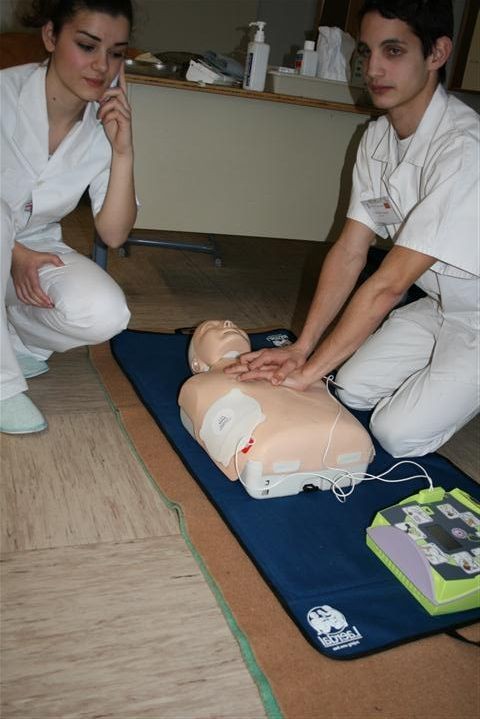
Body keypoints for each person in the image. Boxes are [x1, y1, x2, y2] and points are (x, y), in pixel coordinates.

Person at [227, 0, 479, 459]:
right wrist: (304, 349)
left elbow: (388, 285)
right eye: (367, 51)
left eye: (394, 51)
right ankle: (442, 373)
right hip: (439, 306)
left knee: (394, 432)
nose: (373, 69)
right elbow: (350, 251)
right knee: (350, 388)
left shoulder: (464, 149)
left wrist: (307, 375)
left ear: (438, 53)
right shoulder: (377, 136)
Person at [0, 0, 136, 434]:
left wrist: (122, 151)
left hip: (34, 246)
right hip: (10, 243)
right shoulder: (4, 95)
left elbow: (113, 234)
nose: (102, 66)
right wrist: (14, 253)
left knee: (106, 312)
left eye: (116, 53)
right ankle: (2, 384)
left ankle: (18, 341)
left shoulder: (104, 123)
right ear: (50, 36)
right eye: (87, 46)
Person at [178, 320, 374, 497]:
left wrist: (305, 370)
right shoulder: (197, 385)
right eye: (210, 328)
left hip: (330, 434)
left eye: (230, 324)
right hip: (278, 447)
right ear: (197, 364)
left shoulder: (286, 367)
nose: (228, 323)